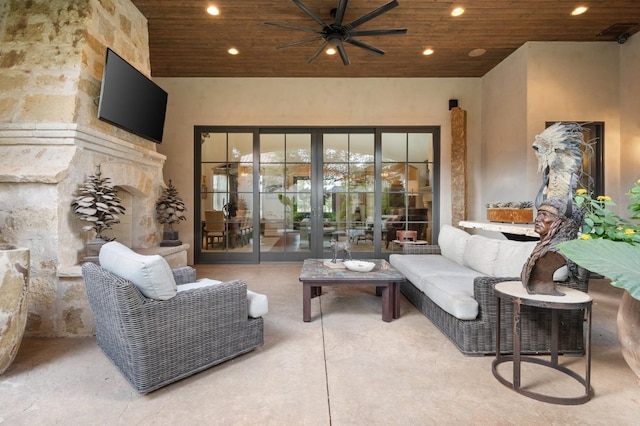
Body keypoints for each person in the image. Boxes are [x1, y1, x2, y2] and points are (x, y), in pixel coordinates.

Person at [521, 196, 581, 295]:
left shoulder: (556, 253)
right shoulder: (543, 247)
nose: (537, 219)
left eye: (545, 215)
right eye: (538, 214)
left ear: (561, 223)